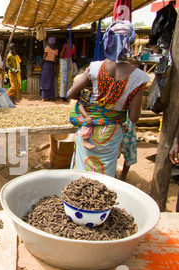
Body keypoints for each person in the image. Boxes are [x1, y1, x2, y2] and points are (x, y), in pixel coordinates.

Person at [67, 20, 150, 178]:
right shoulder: (139, 78)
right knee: (104, 180)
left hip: (88, 129)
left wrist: (90, 100)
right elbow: (133, 117)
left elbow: (70, 93)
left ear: (108, 41)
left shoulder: (95, 68)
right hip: (111, 135)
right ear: (130, 44)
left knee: (80, 177)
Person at [39, 37, 58, 101]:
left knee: (44, 81)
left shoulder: (47, 48)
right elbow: (55, 60)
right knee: (50, 81)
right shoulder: (56, 50)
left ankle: (44, 97)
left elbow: (44, 58)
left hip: (46, 65)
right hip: (51, 66)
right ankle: (50, 97)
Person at [59, 35, 76, 101]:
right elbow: (74, 57)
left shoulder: (65, 46)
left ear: (67, 39)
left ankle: (62, 96)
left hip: (64, 62)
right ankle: (68, 95)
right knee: (69, 80)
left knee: (63, 80)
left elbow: (61, 55)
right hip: (70, 61)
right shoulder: (74, 47)